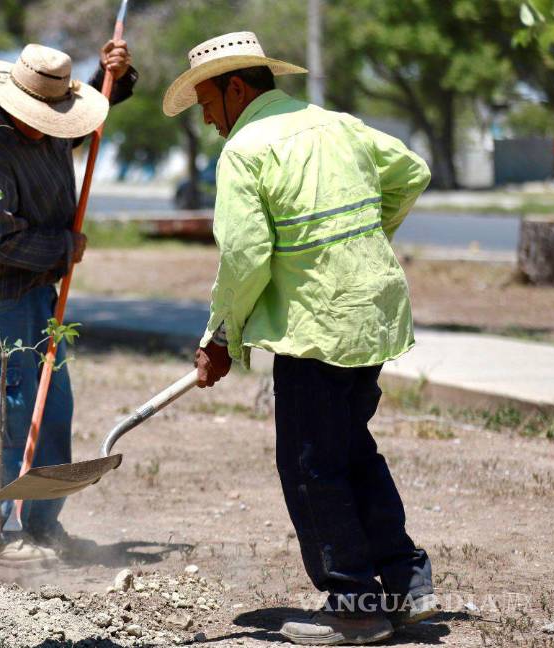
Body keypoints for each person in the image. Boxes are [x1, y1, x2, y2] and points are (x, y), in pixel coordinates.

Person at [163, 32, 438, 645]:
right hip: (369, 311)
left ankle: (356, 606)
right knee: (347, 449)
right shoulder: (336, 124)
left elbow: (244, 256)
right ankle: (405, 583)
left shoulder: (245, 151)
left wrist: (220, 337)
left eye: (207, 102)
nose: (207, 119)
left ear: (237, 88)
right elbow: (412, 172)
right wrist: (362, 243)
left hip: (315, 324)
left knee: (312, 464)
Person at [0, 40, 136, 567]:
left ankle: (41, 525)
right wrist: (64, 246)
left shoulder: (52, 130)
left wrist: (111, 76)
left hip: (39, 292)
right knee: (5, 412)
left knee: (52, 410)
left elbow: (88, 120)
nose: (51, 126)